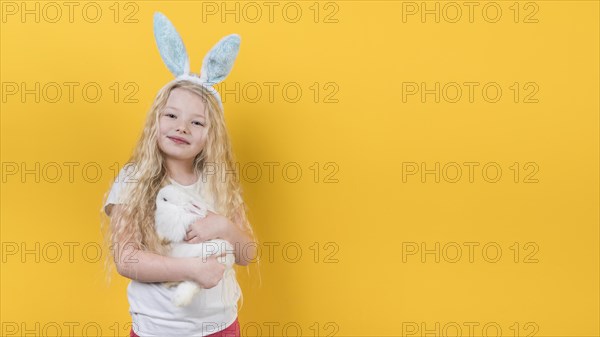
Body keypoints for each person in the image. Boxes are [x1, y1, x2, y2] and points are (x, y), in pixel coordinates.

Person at [100, 11, 258, 337]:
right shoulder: (134, 180)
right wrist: (192, 270)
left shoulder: (218, 183)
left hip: (222, 327)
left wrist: (224, 226)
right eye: (171, 115)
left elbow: (247, 254)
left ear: (210, 135)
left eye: (197, 122)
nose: (181, 127)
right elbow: (127, 259)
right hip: (159, 330)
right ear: (155, 120)